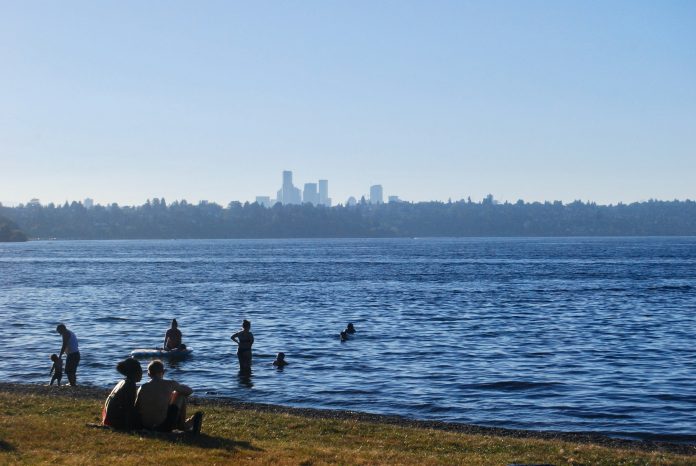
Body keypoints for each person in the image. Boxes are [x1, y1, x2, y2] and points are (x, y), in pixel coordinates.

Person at [135, 360, 203, 434]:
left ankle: (185, 424)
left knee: (174, 395)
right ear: (163, 372)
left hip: (145, 425)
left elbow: (136, 407)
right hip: (163, 426)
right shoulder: (170, 384)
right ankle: (182, 425)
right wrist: (178, 387)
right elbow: (189, 391)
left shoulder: (142, 387)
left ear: (148, 374)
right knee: (180, 395)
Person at [102, 358, 142, 430]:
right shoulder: (130, 385)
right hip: (114, 422)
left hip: (107, 419)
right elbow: (129, 409)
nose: (142, 373)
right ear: (135, 372)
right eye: (140, 370)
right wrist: (129, 428)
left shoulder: (123, 381)